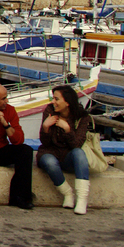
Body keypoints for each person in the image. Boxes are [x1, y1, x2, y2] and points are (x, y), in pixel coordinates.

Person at [38, 85, 92, 214]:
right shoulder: (50, 111)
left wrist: (68, 130)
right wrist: (45, 128)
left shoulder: (82, 117)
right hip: (49, 152)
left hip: (68, 155)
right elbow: (45, 143)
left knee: (79, 153)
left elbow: (76, 145)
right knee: (49, 162)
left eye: (56, 99)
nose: (53, 102)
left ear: (67, 102)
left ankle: (82, 199)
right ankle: (67, 194)